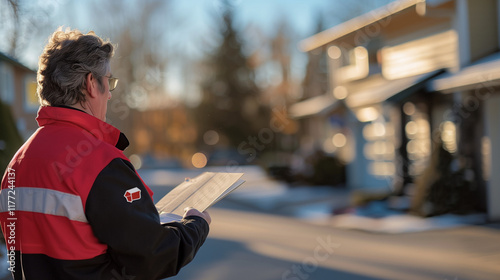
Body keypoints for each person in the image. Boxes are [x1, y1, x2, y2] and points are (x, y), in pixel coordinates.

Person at [0, 27, 211, 280]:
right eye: (108, 81)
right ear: (91, 83)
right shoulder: (98, 162)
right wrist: (196, 226)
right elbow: (152, 255)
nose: (110, 94)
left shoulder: (16, 164)